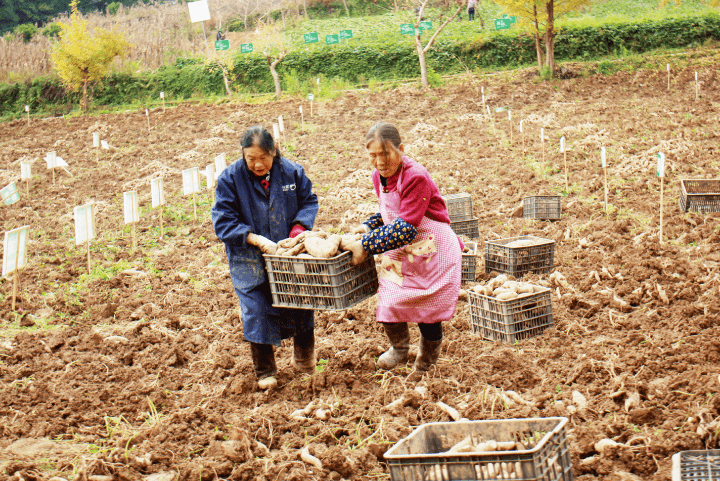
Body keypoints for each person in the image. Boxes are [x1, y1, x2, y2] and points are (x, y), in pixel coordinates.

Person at [347, 122, 462, 373]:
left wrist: (365, 245)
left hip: (430, 248)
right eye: (373, 155)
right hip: (400, 246)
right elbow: (388, 210)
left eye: (385, 153)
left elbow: (406, 226)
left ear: (400, 149)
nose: (380, 161)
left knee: (426, 310)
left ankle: (427, 360)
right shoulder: (378, 177)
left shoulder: (416, 176)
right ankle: (399, 348)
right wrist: (369, 227)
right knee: (389, 300)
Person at [212, 125, 319, 390]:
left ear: (274, 152)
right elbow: (223, 220)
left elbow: (309, 202)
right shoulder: (230, 179)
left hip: (288, 253)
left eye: (263, 158)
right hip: (248, 258)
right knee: (256, 310)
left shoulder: (292, 172)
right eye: (251, 159)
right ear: (243, 155)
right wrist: (256, 239)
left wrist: (297, 231)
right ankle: (265, 372)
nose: (258, 164)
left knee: (300, 301)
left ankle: (305, 360)